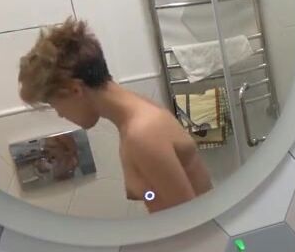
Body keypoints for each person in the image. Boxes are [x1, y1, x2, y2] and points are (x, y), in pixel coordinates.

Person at [17, 17, 212, 213]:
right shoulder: (136, 115)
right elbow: (165, 198)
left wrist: (146, 194)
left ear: (75, 90)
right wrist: (147, 193)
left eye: (54, 105)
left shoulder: (142, 132)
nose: (60, 114)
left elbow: (189, 220)